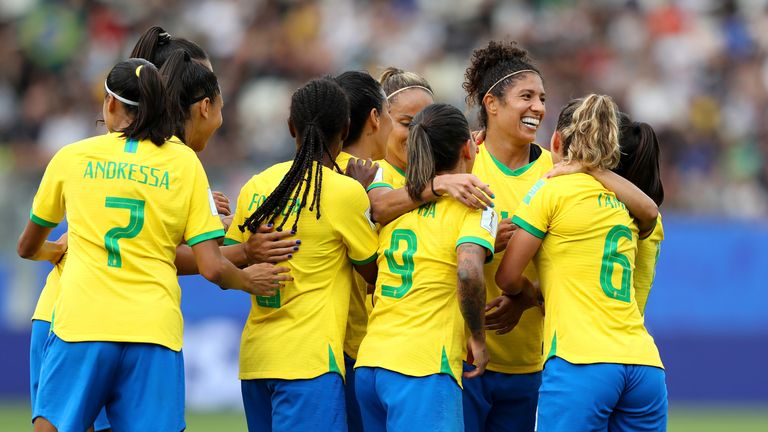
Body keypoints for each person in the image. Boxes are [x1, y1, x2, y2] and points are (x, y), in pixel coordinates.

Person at [17, 58, 286, 432]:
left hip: (81, 323)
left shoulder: (72, 157)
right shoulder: (184, 163)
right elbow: (211, 266)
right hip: (153, 329)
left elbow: (27, 247)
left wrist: (59, 249)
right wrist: (248, 279)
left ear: (110, 103)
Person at [496, 94, 666, 432]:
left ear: (556, 141)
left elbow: (507, 276)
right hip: (644, 365)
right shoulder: (633, 211)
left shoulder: (552, 189)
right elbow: (649, 214)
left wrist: (528, 297)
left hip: (581, 361)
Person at [227, 78, 379, 432]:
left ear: (291, 127)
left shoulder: (258, 185)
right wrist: (365, 195)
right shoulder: (345, 193)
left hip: (256, 360)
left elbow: (228, 259)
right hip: (309, 362)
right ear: (344, 129)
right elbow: (372, 273)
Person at [355, 103, 496, 432]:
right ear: (467, 147)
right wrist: (477, 336)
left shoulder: (397, 206)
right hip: (424, 367)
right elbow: (468, 271)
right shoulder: (476, 203)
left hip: (372, 363)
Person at [460, 40, 551, 432]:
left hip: (529, 363)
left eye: (542, 99)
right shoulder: (461, 162)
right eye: (526, 97)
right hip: (461, 358)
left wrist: (525, 298)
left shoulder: (556, 172)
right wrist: (481, 246)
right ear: (491, 104)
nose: (538, 108)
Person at [332, 70, 393, 432]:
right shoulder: (377, 180)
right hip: (363, 346)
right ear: (374, 118)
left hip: (318, 349)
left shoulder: (308, 175)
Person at [366, 68, 495, 225]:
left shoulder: (442, 169)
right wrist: (440, 184)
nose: (417, 134)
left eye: (428, 126)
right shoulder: (375, 168)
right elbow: (378, 207)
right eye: (407, 123)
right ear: (381, 120)